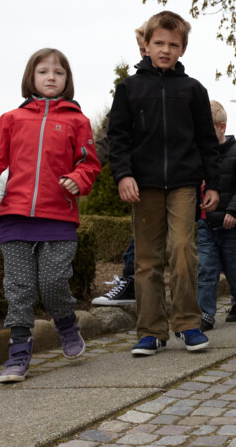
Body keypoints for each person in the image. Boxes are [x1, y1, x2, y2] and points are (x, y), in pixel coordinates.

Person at [0, 48, 101, 383]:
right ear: (31, 78)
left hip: (59, 220)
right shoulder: (11, 119)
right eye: (43, 71)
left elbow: (89, 164)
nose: (51, 77)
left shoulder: (77, 122)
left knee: (53, 284)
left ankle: (66, 324)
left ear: (67, 81)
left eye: (59, 72)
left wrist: (78, 179)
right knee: (20, 290)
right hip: (15, 220)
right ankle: (18, 355)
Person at [107, 10, 221, 356]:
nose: (165, 49)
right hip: (144, 184)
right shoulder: (128, 89)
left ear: (182, 49)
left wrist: (213, 184)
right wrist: (123, 174)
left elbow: (207, 142)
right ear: (146, 45)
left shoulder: (193, 90)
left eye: (173, 44)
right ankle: (151, 331)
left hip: (186, 183)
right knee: (147, 259)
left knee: (184, 250)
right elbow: (117, 137)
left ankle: (188, 323)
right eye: (159, 43)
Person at [93, 21, 150, 307]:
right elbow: (109, 131)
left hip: (176, 176)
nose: (145, 55)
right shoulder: (130, 89)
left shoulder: (182, 86)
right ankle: (130, 282)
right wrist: (88, 167)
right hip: (142, 175)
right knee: (141, 229)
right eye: (141, 50)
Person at [196, 100, 236, 332]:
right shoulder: (201, 156)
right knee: (207, 269)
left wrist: (233, 211)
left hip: (232, 225)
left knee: (233, 269)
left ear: (222, 127)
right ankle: (206, 314)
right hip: (207, 223)